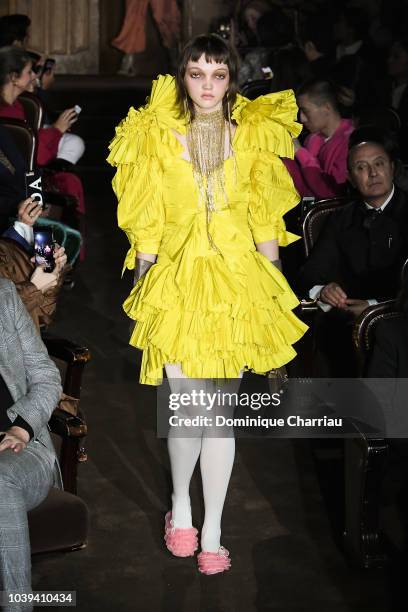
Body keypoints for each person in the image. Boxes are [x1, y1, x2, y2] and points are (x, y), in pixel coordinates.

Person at [108, 34, 307, 574]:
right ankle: (180, 505)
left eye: (218, 75)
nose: (208, 86)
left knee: (218, 413)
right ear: (182, 76)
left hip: (237, 284)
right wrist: (145, 282)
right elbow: (146, 216)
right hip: (176, 282)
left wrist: (273, 293)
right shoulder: (156, 135)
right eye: (197, 74)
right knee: (186, 406)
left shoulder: (253, 136)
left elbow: (265, 219)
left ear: (232, 78)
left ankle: (213, 530)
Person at [298, 126, 408, 376]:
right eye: (361, 168)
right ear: (349, 177)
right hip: (347, 313)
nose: (372, 173)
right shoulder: (341, 219)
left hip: (399, 310)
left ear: (392, 167)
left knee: (389, 332)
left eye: (379, 164)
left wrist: (373, 308)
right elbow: (310, 273)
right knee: (323, 328)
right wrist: (323, 290)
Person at [0, 277, 62, 611]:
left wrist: (22, 429)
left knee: (0, 479)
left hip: (23, 451)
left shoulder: (4, 296)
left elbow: (46, 376)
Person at [283, 79, 354, 199]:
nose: (302, 118)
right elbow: (304, 189)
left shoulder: (349, 142)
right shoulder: (313, 139)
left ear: (326, 107)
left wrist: (300, 152)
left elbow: (330, 194)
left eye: (305, 111)